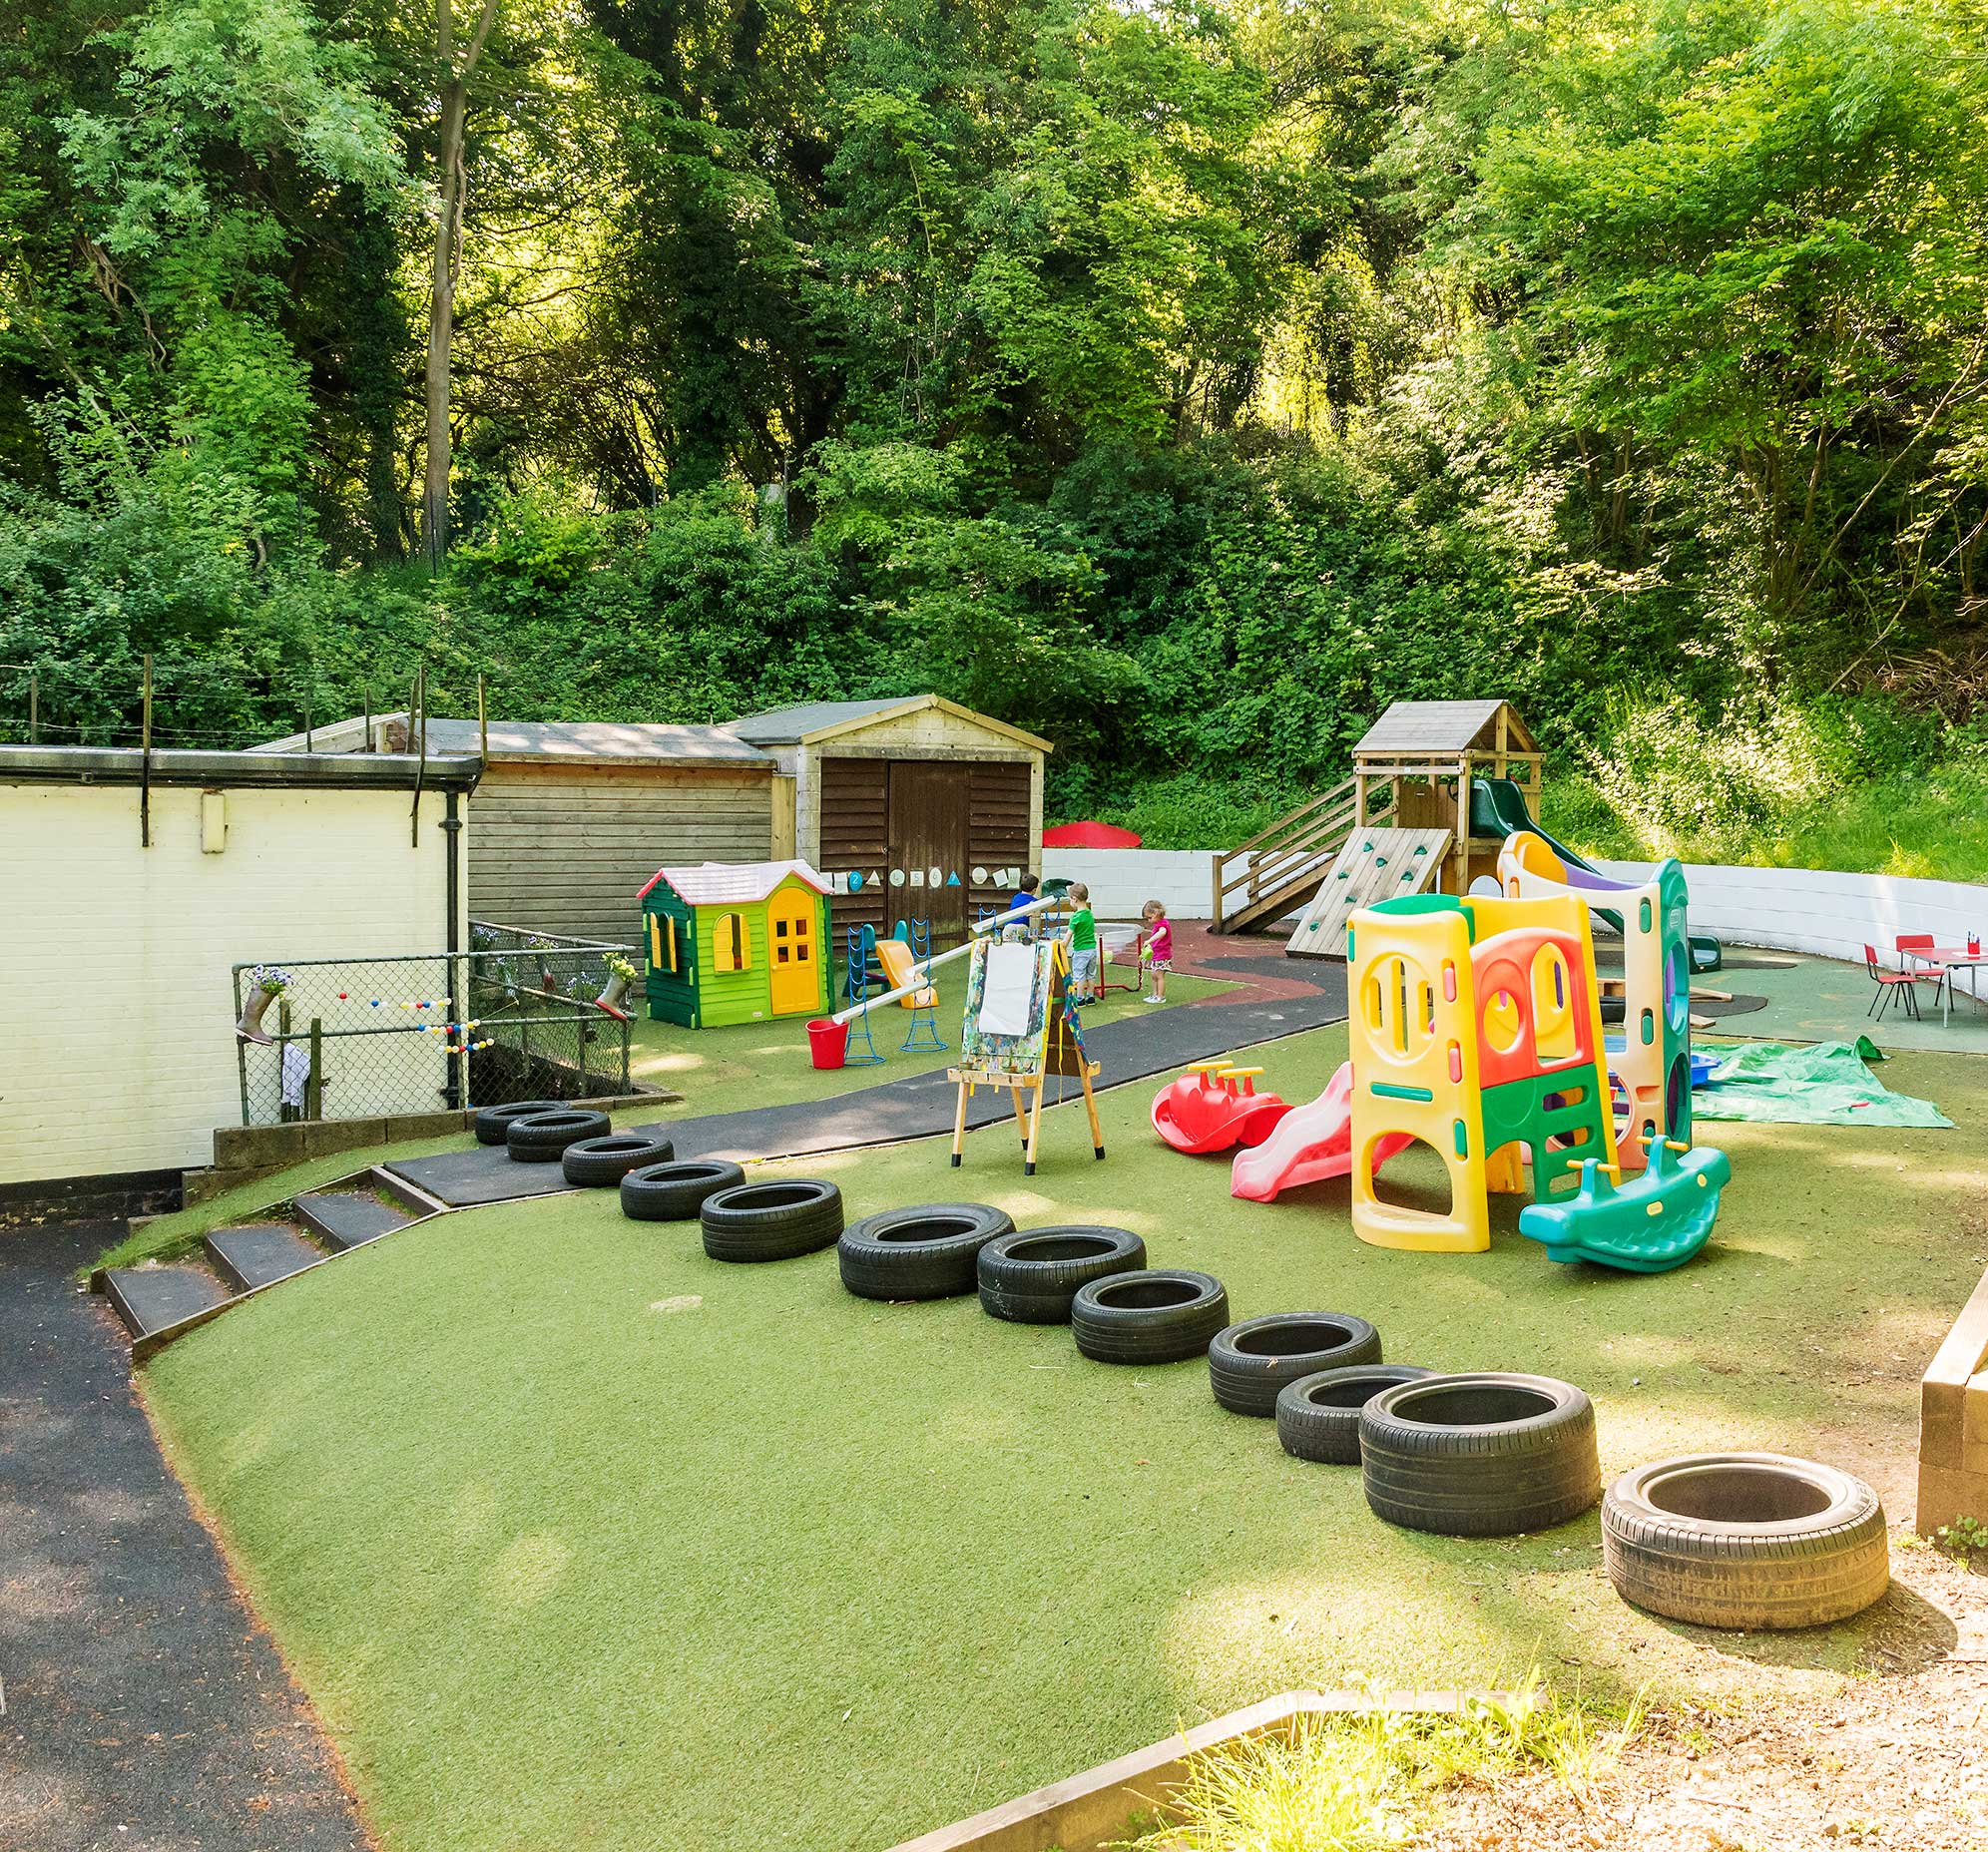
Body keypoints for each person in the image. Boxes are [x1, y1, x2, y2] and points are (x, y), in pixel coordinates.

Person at [1067, 882, 1099, 1002]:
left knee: (1079, 976)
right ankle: (1090, 996)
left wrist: (1063, 945)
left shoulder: (1075, 917)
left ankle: (1079, 998)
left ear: (1074, 899)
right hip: (1092, 950)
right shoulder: (1089, 914)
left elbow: (1069, 934)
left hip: (1080, 951)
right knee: (1090, 975)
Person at [1140, 899, 1173, 1004]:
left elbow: (1162, 932)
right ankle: (1154, 994)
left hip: (1162, 955)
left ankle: (1160, 996)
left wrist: (1149, 940)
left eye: (1150, 917)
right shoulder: (1158, 924)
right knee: (1154, 975)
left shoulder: (1162, 924)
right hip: (1157, 954)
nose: (1149, 920)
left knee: (1159, 975)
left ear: (1156, 913)